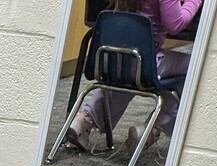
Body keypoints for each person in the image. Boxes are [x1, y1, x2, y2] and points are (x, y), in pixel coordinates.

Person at [66, 0, 202, 155]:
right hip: (143, 64)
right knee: (196, 66)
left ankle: (85, 119)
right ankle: (151, 129)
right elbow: (175, 24)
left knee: (126, 78)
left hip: (110, 61)